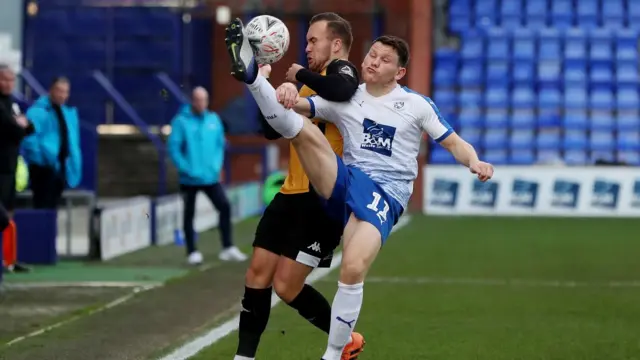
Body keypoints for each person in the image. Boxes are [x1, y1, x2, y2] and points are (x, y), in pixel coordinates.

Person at [225, 23, 494, 359]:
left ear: (399, 71)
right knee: (304, 133)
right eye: (371, 55)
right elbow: (286, 116)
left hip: (385, 194)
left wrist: (475, 161)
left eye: (383, 60)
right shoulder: (348, 100)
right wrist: (284, 92)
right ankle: (252, 78)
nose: (372, 62)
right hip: (347, 181)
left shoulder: (416, 105)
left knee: (352, 269)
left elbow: (452, 141)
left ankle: (335, 353)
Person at [234, 13, 365, 360]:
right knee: (256, 275)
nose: (306, 47)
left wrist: (296, 76)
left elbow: (342, 89)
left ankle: (347, 339)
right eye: (305, 41)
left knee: (286, 286)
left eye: (313, 40)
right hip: (289, 194)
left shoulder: (343, 74)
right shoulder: (307, 86)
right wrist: (267, 87)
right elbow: (271, 131)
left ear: (336, 45)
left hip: (321, 202)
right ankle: (243, 357)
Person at [167, 87, 247, 265]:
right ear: (192, 101)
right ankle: (192, 251)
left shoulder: (213, 120)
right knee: (189, 214)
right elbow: (174, 148)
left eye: (204, 99)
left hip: (210, 177)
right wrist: (185, 168)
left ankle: (228, 247)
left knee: (224, 206)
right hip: (189, 178)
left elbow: (220, 145)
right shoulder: (181, 122)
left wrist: (216, 166)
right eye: (198, 100)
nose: (201, 103)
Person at [22, 76, 82, 209]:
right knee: (42, 207)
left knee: (53, 208)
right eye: (59, 91)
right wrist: (42, 160)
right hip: (43, 169)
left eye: (65, 92)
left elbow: (72, 142)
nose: (62, 95)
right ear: (51, 90)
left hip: (61, 168)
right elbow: (29, 140)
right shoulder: (37, 112)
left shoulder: (68, 113)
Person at [0, 64, 34, 273]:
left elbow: (28, 127)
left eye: (11, 80)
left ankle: (9, 260)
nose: (8, 84)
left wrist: (20, 125)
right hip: (0, 167)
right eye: (4, 79)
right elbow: (11, 127)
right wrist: (18, 125)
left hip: (11, 166)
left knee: (9, 213)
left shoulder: (12, 103)